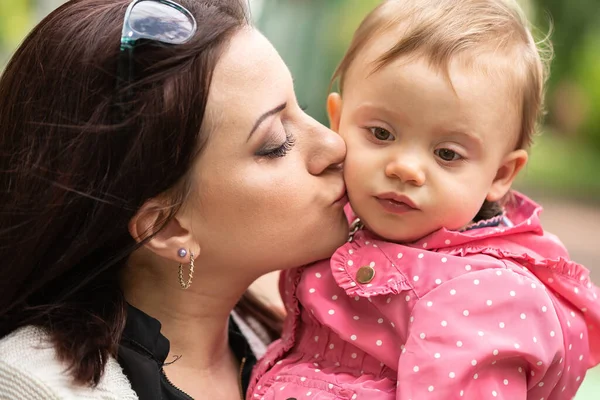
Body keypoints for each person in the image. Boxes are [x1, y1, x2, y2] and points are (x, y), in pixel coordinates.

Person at [249, 0, 600, 398]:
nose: (406, 169)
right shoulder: (330, 218)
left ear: (500, 175)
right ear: (338, 121)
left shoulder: (483, 297)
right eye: (381, 133)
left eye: (447, 154)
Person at [0, 0, 350, 399]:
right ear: (167, 227)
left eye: (301, 108)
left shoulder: (302, 333)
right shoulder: (35, 386)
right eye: (275, 143)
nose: (333, 144)